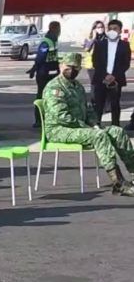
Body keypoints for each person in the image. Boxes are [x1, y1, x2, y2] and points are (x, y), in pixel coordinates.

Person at [42, 53, 134, 196]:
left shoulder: (77, 86)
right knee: (99, 136)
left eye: (76, 68)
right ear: (61, 66)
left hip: (80, 128)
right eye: (68, 67)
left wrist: (94, 123)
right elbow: (61, 117)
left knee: (117, 132)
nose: (72, 70)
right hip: (59, 129)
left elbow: (88, 109)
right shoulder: (55, 88)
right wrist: (87, 127)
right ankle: (118, 182)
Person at [92, 19, 131, 128]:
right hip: (101, 78)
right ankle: (96, 124)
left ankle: (115, 126)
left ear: (120, 31)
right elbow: (96, 62)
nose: (112, 31)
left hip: (116, 80)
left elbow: (125, 63)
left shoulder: (124, 45)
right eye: (110, 29)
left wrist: (114, 76)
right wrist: (105, 75)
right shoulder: (100, 44)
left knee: (115, 104)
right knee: (99, 103)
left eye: (115, 29)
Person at [27, 21, 61, 128]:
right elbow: (40, 58)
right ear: (54, 29)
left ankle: (49, 119)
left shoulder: (54, 40)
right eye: (58, 29)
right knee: (41, 96)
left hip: (52, 73)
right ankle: (39, 120)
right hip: (44, 73)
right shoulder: (46, 42)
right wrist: (34, 69)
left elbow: (53, 57)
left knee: (53, 97)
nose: (59, 31)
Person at [83, 20, 106, 94]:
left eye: (102, 27)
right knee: (94, 84)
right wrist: (93, 39)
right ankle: (94, 99)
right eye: (98, 27)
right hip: (91, 65)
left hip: (103, 65)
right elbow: (87, 49)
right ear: (94, 29)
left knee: (102, 84)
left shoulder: (105, 38)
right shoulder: (89, 38)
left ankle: (101, 99)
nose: (100, 29)